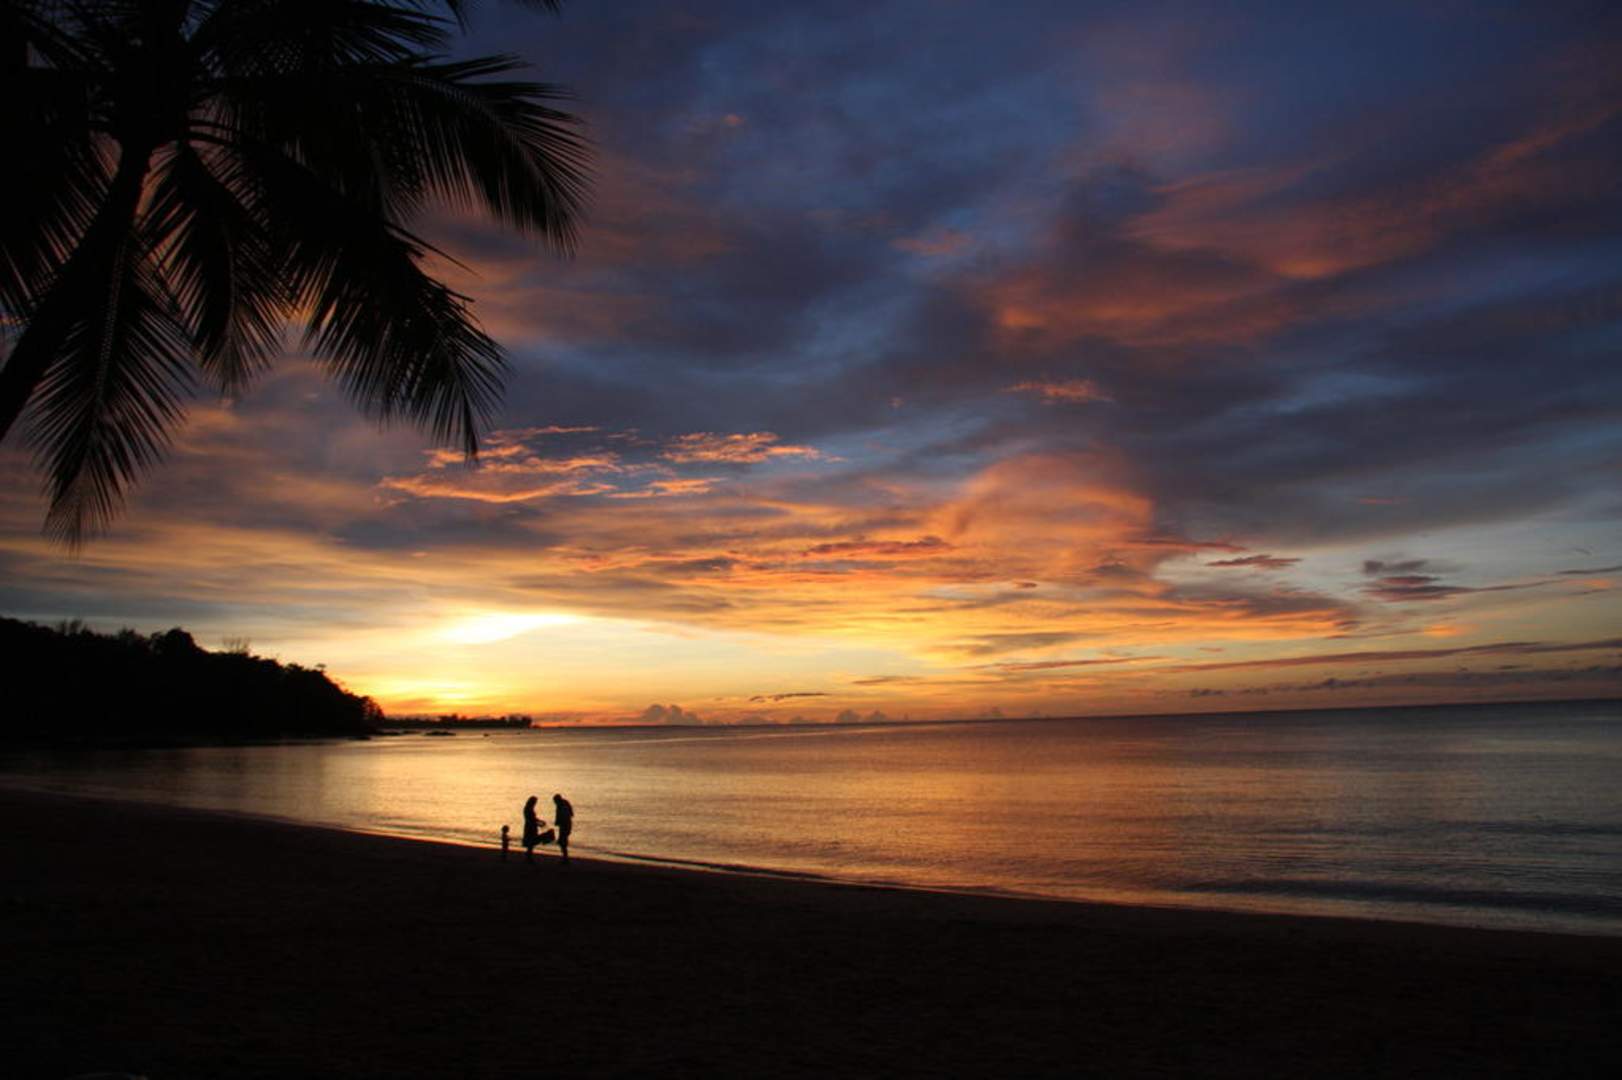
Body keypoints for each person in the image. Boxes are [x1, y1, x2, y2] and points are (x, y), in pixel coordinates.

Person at [552, 793, 574, 865]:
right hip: (567, 824)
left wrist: (558, 821)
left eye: (555, 801)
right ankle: (565, 857)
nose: (554, 803)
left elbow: (559, 816)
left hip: (564, 825)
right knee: (563, 841)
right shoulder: (566, 803)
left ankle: (565, 858)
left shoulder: (560, 805)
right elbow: (571, 814)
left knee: (562, 842)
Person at [521, 796, 543, 863]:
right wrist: (539, 824)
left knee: (531, 843)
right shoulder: (528, 809)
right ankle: (528, 857)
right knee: (531, 842)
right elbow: (530, 819)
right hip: (530, 827)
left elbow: (533, 818)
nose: (535, 803)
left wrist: (540, 821)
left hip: (531, 826)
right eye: (535, 802)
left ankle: (528, 857)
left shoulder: (529, 808)